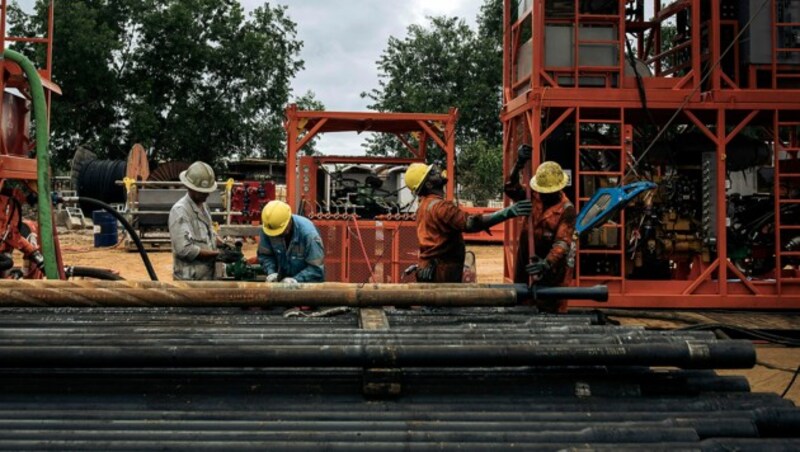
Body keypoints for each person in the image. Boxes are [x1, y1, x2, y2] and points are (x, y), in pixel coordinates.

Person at [404, 163, 532, 283]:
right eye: (431, 174)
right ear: (429, 185)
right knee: (443, 306)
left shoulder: (424, 206)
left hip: (430, 269)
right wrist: (508, 212)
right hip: (442, 273)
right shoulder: (441, 207)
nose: (437, 172)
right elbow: (471, 223)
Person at [505, 147, 576, 313]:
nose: (542, 194)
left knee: (549, 306)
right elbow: (510, 187)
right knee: (521, 300)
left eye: (547, 192)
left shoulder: (567, 209)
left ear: (557, 189)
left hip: (552, 264)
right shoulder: (533, 194)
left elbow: (562, 243)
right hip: (527, 255)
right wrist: (519, 163)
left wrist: (546, 264)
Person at [169, 161, 240, 281]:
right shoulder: (180, 211)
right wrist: (218, 255)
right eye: (203, 191)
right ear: (190, 188)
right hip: (190, 280)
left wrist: (223, 244)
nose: (207, 194)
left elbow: (209, 232)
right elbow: (184, 250)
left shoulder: (204, 206)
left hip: (207, 276)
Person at [258, 200, 325, 284]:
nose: (277, 235)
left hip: (307, 288)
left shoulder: (309, 235)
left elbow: (316, 269)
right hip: (281, 286)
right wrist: (271, 272)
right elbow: (265, 255)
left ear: (289, 221)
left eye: (280, 231)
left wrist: (296, 280)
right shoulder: (269, 228)